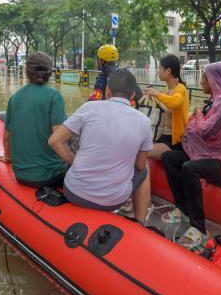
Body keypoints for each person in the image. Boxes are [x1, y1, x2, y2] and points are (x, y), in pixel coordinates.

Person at [161, 62, 221, 249]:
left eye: (204, 77)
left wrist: (196, 114)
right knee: (169, 158)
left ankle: (199, 228)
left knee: (190, 168)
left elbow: (207, 131)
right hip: (213, 154)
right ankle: (183, 209)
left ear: (213, 80)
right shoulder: (217, 100)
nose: (201, 81)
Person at [48, 69, 152, 223]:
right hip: (114, 200)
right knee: (146, 169)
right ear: (132, 96)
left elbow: (54, 141)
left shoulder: (89, 108)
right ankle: (140, 223)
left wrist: (74, 161)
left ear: (107, 91)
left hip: (74, 191)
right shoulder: (144, 121)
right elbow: (140, 164)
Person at [1, 52, 68, 188]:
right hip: (51, 175)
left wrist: (8, 158)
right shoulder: (54, 97)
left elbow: (7, 137)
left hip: (20, 175)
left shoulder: (15, 98)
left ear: (27, 71)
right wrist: (74, 162)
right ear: (50, 73)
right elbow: (59, 139)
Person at [143, 54, 189, 159]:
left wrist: (156, 94)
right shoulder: (166, 91)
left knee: (143, 152)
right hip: (163, 135)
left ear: (168, 71)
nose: (158, 71)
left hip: (175, 140)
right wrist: (154, 97)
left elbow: (175, 102)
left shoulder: (180, 89)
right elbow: (165, 104)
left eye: (159, 68)